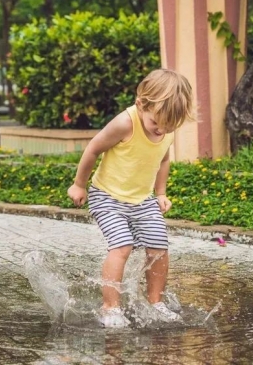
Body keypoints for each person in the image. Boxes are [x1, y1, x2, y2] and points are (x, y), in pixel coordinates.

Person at [67, 69, 195, 328]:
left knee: (159, 246)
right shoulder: (126, 122)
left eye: (168, 126)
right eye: (156, 123)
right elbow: (93, 148)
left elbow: (164, 159)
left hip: (142, 199)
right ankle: (110, 307)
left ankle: (155, 302)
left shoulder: (166, 127)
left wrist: (160, 193)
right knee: (122, 246)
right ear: (141, 104)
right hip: (107, 197)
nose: (161, 130)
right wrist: (79, 185)